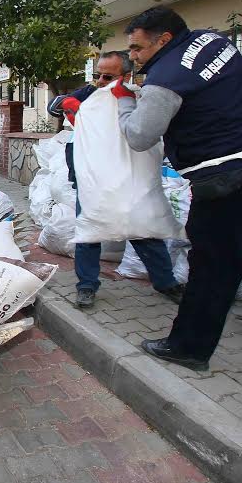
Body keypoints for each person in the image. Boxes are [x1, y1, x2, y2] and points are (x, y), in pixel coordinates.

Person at [113, 6, 242, 371]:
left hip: (231, 180)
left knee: (211, 265)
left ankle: (189, 346)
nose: (133, 56)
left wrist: (125, 103)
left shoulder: (166, 78)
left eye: (138, 48)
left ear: (165, 40)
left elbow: (141, 136)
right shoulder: (212, 41)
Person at [48, 51, 185, 309]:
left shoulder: (136, 98)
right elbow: (54, 105)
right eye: (97, 74)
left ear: (126, 75)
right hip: (91, 180)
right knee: (89, 233)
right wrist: (64, 104)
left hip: (127, 178)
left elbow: (144, 134)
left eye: (107, 76)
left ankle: (166, 282)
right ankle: (86, 286)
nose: (100, 80)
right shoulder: (89, 94)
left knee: (142, 230)